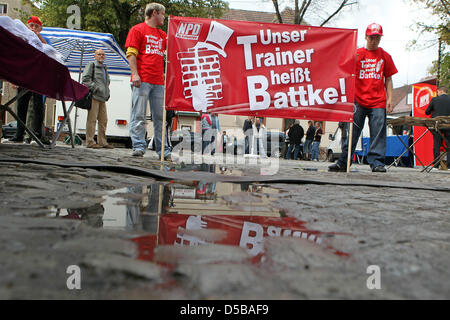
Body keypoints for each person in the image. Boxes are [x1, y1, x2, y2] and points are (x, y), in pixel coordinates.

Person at [329, 23, 398, 172]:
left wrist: (390, 99)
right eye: (371, 37)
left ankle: (377, 162)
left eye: (377, 38)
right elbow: (343, 72)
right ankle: (344, 161)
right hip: (358, 100)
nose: (374, 41)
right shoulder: (357, 54)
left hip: (378, 101)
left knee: (378, 133)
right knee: (351, 131)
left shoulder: (385, 56)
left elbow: (389, 79)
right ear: (365, 37)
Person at [125, 2, 170, 159]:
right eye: (163, 14)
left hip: (158, 81)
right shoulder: (137, 30)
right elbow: (131, 53)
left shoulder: (162, 35)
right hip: (142, 79)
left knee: (160, 118)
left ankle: (163, 149)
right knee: (138, 115)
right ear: (155, 13)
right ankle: (138, 146)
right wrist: (135, 74)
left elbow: (173, 46)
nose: (164, 17)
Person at [8, 16, 48, 144]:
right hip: (24, 76)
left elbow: (48, 50)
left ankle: (37, 133)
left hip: (38, 77)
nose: (34, 28)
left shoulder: (42, 40)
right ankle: (19, 133)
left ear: (40, 29)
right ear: (27, 26)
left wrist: (38, 36)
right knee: (21, 106)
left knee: (38, 106)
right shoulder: (23, 38)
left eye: (36, 26)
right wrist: (14, 78)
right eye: (32, 25)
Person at [82, 49, 113, 149]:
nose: (101, 56)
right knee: (92, 119)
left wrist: (107, 93)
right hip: (94, 96)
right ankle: (90, 141)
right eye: (99, 54)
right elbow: (85, 79)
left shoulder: (105, 68)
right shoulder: (91, 65)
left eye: (103, 54)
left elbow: (106, 83)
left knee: (103, 120)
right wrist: (95, 88)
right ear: (95, 56)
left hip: (103, 98)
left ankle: (102, 141)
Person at [425, 86, 450, 168]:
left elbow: (427, 112)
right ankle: (449, 165)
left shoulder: (434, 99)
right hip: (448, 124)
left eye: (438, 92)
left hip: (437, 125)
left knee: (437, 144)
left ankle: (436, 164)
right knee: (449, 144)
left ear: (441, 91)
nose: (437, 93)